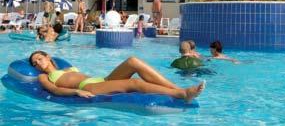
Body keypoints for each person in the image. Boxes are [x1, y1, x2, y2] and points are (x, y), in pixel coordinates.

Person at [29, 51, 205, 101]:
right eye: (34, 63)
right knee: (133, 83)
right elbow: (55, 90)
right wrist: (76, 92)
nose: (37, 63)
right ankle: (182, 94)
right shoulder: (43, 77)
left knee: (133, 61)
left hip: (100, 80)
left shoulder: (67, 67)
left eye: (39, 58)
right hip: (87, 87)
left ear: (48, 57)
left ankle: (177, 88)